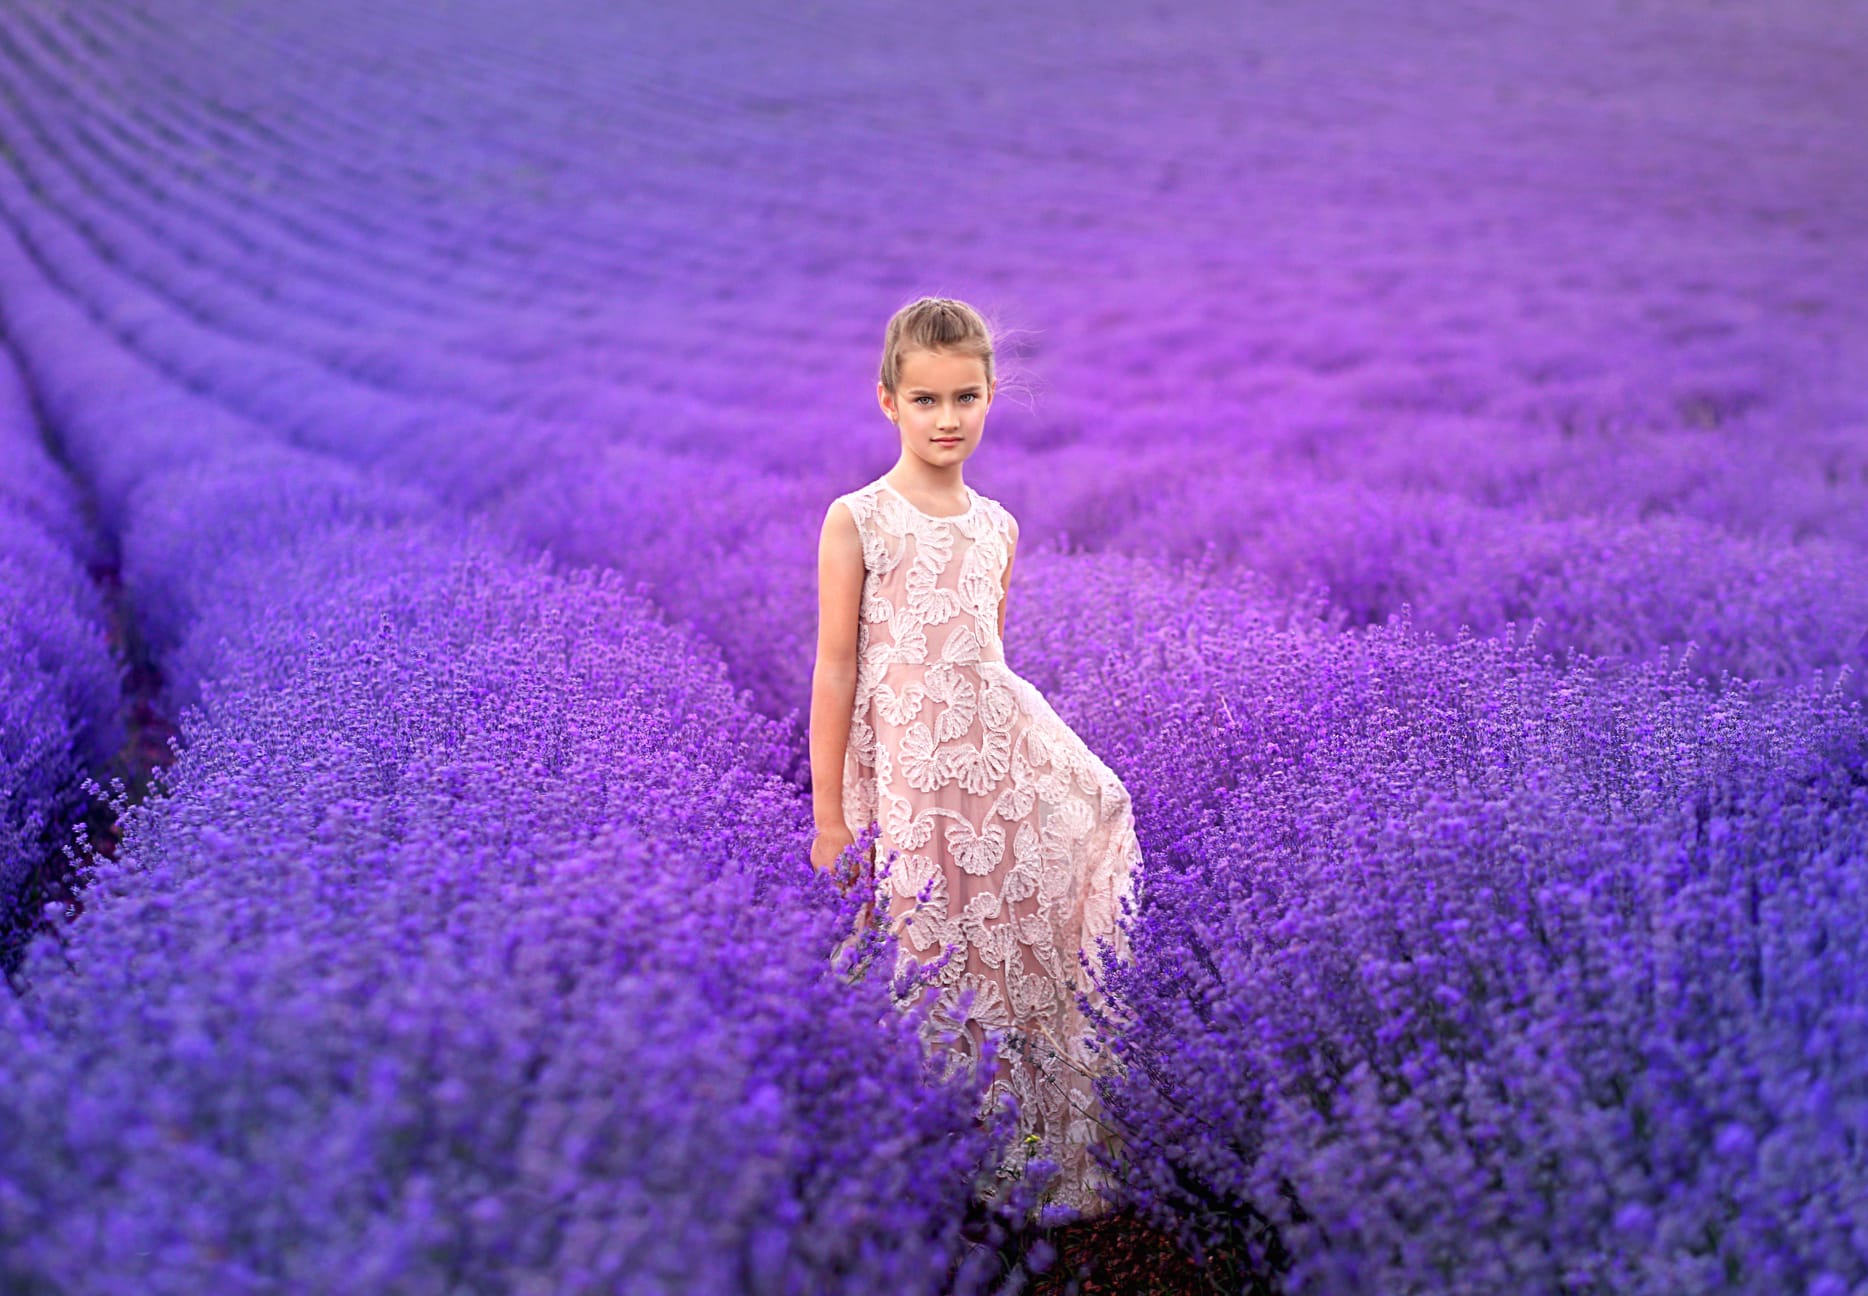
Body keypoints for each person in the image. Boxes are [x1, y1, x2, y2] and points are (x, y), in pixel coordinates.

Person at [808, 295, 1143, 1221]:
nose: (947, 419)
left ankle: (1028, 1152)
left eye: (965, 398)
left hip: (992, 774)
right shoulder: (858, 520)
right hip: (908, 780)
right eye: (925, 400)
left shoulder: (998, 527)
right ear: (887, 403)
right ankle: (937, 1166)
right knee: (925, 953)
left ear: (993, 396)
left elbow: (988, 665)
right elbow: (837, 671)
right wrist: (831, 816)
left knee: (1011, 950)